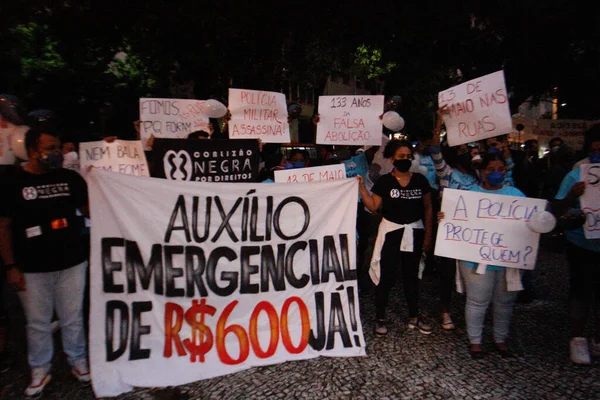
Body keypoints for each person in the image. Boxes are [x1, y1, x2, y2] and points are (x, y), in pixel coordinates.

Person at [0, 125, 91, 397]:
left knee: (72, 316)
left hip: (72, 261)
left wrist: (100, 181)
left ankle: (78, 360)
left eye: (57, 147)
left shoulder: (70, 179)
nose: (57, 154)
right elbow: (3, 226)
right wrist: (10, 266)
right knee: (37, 321)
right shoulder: (12, 182)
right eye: (50, 149)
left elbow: (91, 208)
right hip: (31, 266)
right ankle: (40, 368)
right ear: (32, 151)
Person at [439, 153, 526, 358]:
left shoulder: (517, 195)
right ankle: (475, 341)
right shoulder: (469, 194)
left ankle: (500, 339)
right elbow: (455, 216)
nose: (496, 173)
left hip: (507, 260)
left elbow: (530, 221)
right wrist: (445, 217)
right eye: (491, 169)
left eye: (501, 169)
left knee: (504, 302)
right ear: (482, 171)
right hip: (475, 259)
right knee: (477, 300)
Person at [357, 140, 433, 336]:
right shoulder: (384, 182)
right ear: (391, 159)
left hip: (414, 233)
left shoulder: (420, 180)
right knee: (386, 277)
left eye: (408, 156)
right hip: (391, 234)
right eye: (401, 157)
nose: (405, 160)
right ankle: (380, 317)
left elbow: (428, 209)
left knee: (412, 277)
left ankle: (414, 316)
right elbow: (373, 206)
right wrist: (362, 188)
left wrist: (428, 236)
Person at [552, 123, 600, 365]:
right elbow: (557, 209)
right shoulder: (577, 174)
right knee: (581, 293)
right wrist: (572, 195)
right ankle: (578, 339)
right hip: (582, 245)